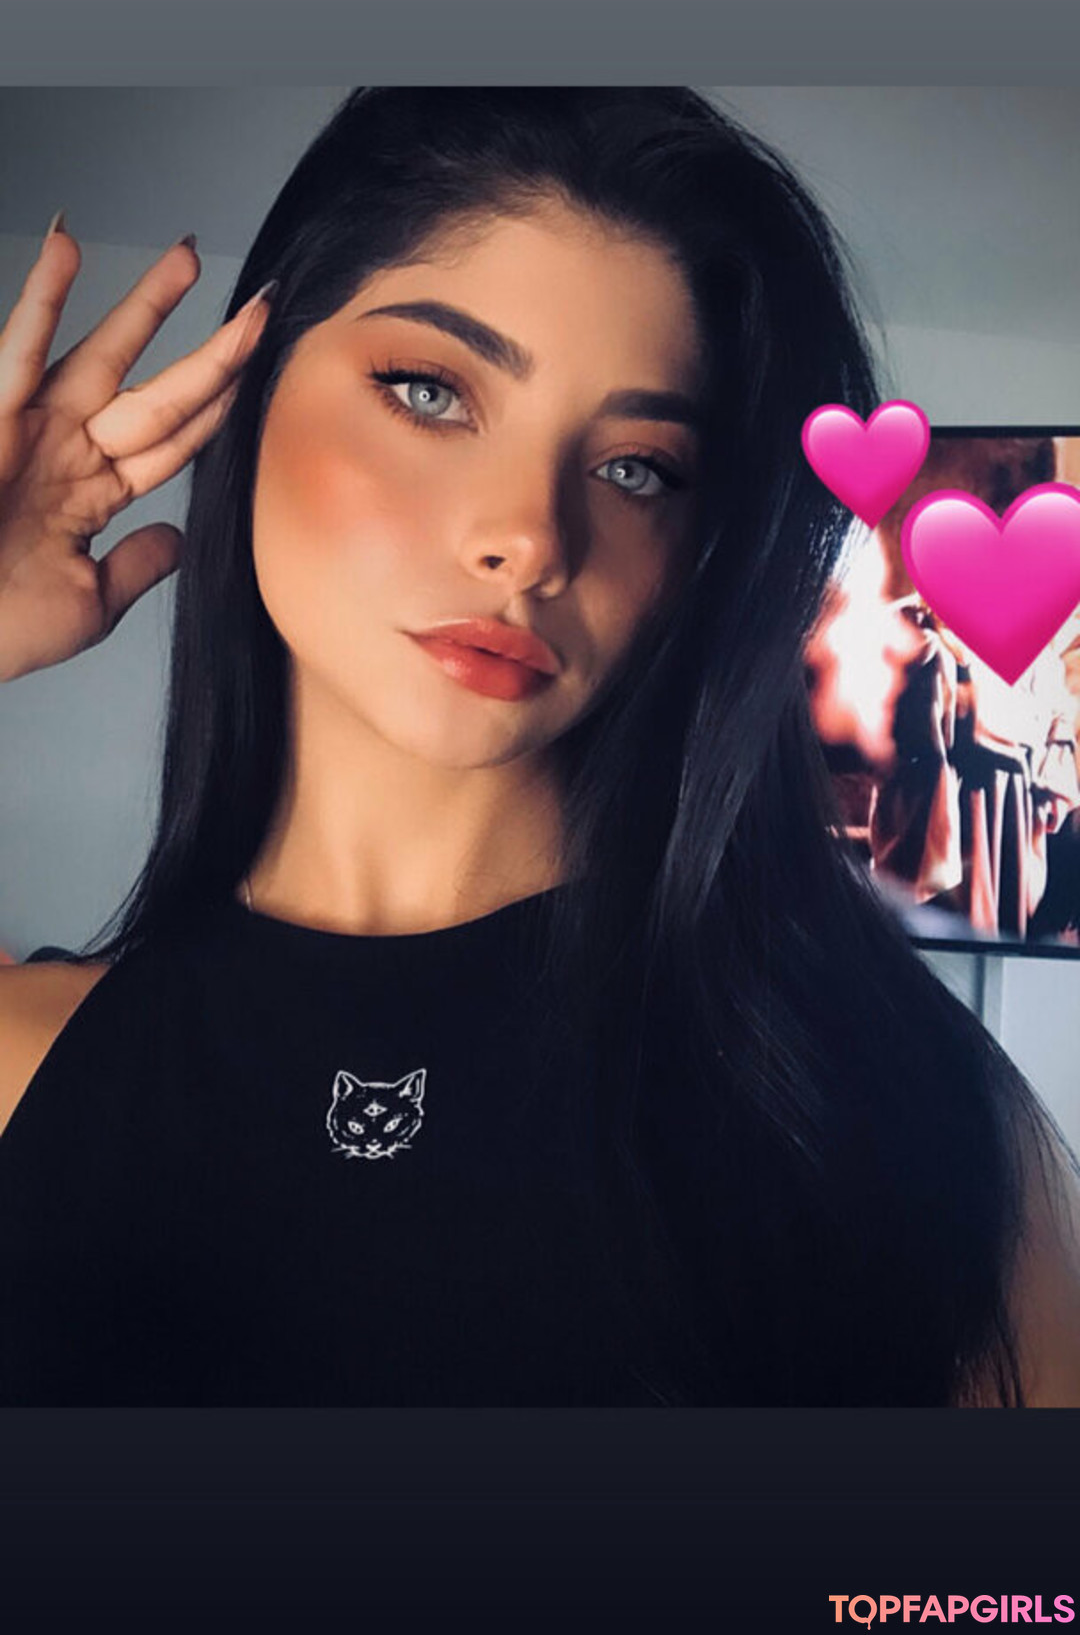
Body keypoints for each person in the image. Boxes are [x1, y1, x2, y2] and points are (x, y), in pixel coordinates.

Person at [0, 87, 1077, 1405]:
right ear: (249, 391)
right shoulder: (26, 1066)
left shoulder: (898, 1113)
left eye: (637, 468)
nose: (531, 538)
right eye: (430, 392)